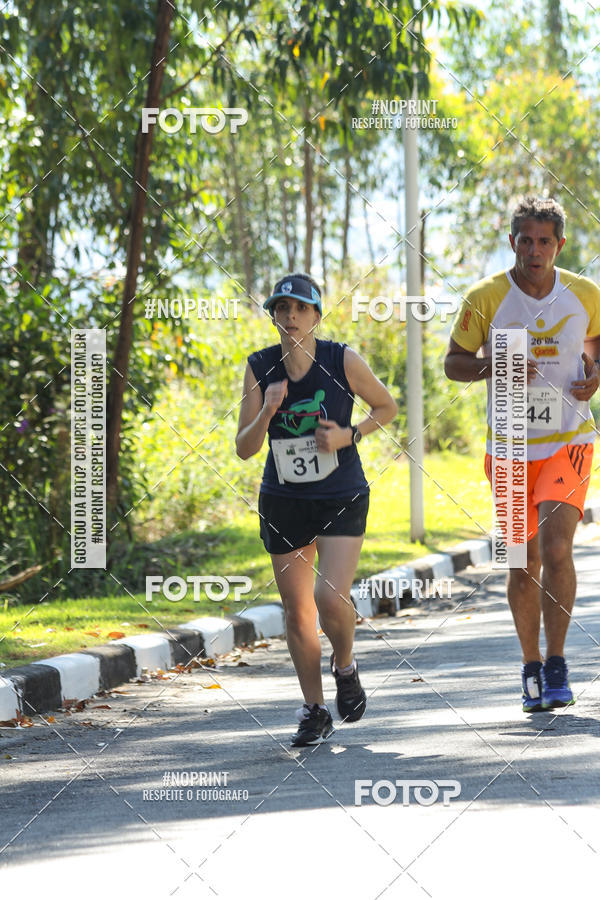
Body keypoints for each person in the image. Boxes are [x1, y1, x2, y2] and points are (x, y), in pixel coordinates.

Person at [445, 196, 600, 712]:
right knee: (521, 561)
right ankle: (530, 664)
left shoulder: (584, 293)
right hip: (509, 445)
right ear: (512, 242)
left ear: (559, 245)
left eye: (545, 241)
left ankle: (557, 663)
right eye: (526, 241)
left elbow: (597, 345)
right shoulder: (486, 297)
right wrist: (494, 367)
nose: (535, 251)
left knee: (556, 550)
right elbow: (453, 362)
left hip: (568, 442)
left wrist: (595, 376)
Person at [236, 273, 397, 745]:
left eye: (299, 309)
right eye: (281, 309)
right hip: (284, 499)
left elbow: (386, 407)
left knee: (330, 599)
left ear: (316, 315)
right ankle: (314, 709)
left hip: (341, 492)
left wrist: (349, 435)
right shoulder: (260, 367)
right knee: (296, 611)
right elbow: (244, 449)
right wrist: (266, 413)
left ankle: (345, 666)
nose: (290, 318)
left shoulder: (341, 358)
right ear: (274, 316)